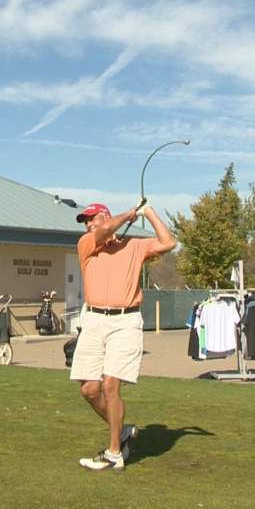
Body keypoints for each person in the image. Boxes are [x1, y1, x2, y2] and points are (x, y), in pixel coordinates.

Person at [71, 200, 175, 471]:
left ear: (105, 216)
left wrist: (148, 212)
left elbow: (168, 242)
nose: (88, 224)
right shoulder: (87, 244)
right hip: (93, 320)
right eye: (85, 221)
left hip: (125, 321)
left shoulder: (134, 246)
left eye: (92, 218)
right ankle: (123, 430)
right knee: (89, 389)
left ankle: (114, 452)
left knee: (110, 385)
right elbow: (104, 232)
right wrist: (129, 214)